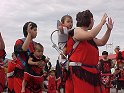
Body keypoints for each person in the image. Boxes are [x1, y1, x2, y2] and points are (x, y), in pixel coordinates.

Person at [65, 10, 114, 93]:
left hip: (91, 71)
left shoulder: (87, 36)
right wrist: (102, 23)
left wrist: (109, 30)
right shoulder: (77, 30)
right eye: (93, 20)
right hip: (80, 71)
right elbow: (91, 34)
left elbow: (102, 42)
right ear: (90, 20)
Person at [13, 22, 42, 93]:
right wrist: (29, 34)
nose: (36, 32)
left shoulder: (35, 45)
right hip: (21, 75)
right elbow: (23, 49)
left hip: (32, 75)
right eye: (34, 30)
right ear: (28, 30)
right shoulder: (19, 41)